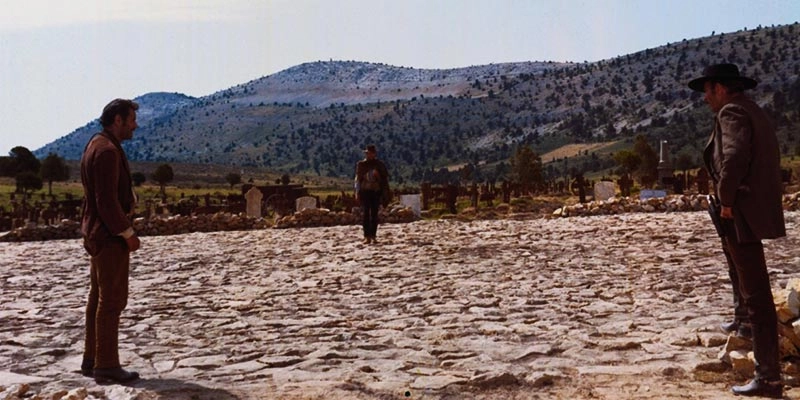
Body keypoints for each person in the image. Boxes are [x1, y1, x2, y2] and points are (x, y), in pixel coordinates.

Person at [690, 63, 785, 398]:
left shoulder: (732, 112)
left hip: (740, 212)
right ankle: (755, 348)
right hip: (751, 209)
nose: (705, 98)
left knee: (757, 294)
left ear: (721, 88)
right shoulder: (752, 109)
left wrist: (726, 199)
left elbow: (733, 158)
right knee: (750, 287)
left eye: (707, 90)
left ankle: (769, 378)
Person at [79, 99, 142, 384]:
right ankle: (106, 364)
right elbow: (106, 201)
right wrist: (127, 233)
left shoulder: (96, 143)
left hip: (95, 232)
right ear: (117, 119)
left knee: (98, 297)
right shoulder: (106, 151)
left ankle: (91, 358)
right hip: (108, 235)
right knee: (112, 299)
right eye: (131, 120)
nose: (134, 125)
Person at [354, 144, 389, 244]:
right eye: (367, 153)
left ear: (374, 154)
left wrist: (378, 176)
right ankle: (366, 236)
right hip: (365, 190)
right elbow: (357, 180)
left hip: (375, 191)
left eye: (370, 153)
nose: (368, 155)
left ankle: (373, 235)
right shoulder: (361, 165)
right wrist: (357, 191)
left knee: (374, 214)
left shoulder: (379, 165)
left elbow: (384, 179)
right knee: (365, 213)